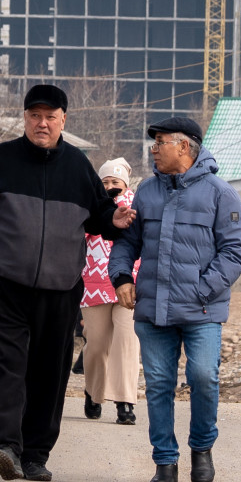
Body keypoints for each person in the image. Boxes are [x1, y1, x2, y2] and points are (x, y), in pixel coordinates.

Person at [0, 84, 135, 482]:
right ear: (24, 118)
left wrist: (115, 220)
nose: (42, 123)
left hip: (60, 289)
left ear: (63, 120)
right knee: (6, 366)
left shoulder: (77, 167)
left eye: (51, 117)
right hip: (3, 285)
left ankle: (36, 454)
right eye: (35, 116)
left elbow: (99, 215)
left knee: (49, 372)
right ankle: (6, 447)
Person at [109, 116, 241, 482]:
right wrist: (122, 277)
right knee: (158, 384)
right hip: (153, 310)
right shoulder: (147, 193)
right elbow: (126, 242)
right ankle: (165, 462)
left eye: (159, 143)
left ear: (184, 146)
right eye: (153, 144)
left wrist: (203, 289)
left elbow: (236, 251)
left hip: (203, 309)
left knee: (204, 377)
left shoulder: (221, 193)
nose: (153, 150)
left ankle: (202, 448)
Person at [80, 158, 140, 425]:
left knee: (127, 341)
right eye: (105, 182)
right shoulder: (91, 205)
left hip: (129, 282)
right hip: (94, 286)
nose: (110, 186)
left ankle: (125, 401)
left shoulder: (138, 206)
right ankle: (93, 392)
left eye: (115, 182)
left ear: (125, 183)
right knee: (97, 344)